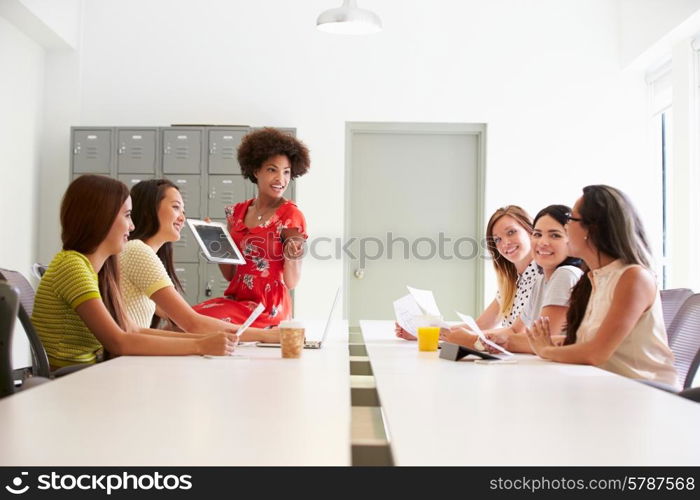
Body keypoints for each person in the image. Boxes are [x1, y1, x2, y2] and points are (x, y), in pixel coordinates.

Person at [31, 175, 236, 369]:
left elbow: (132, 329)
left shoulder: (95, 270)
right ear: (101, 217)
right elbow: (119, 342)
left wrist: (202, 340)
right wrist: (199, 345)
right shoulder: (72, 266)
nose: (132, 226)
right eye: (127, 216)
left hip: (89, 372)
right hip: (72, 380)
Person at [527, 185, 679, 389]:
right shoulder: (596, 278)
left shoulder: (632, 277)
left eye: (571, 220)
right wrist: (546, 343)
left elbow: (595, 353)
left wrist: (546, 350)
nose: (565, 227)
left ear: (593, 228)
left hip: (644, 394)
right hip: (607, 388)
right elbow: (588, 344)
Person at [120, 179, 279, 342]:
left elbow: (176, 318)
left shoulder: (141, 253)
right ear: (149, 209)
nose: (182, 218)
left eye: (183, 211)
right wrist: (264, 335)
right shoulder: (137, 251)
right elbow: (193, 323)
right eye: (175, 207)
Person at [193, 128, 310, 327]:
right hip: (236, 300)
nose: (280, 179)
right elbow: (230, 274)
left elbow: (291, 282)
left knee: (188, 323)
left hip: (266, 308)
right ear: (256, 171)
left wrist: (292, 256)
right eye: (272, 169)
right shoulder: (236, 213)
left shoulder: (291, 216)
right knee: (180, 318)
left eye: (286, 171)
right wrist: (216, 241)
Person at [395, 206, 537, 348]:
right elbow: (481, 324)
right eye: (497, 239)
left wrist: (464, 338)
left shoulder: (541, 278)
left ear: (531, 231)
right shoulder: (512, 283)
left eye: (511, 232)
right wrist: (424, 333)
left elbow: (517, 332)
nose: (505, 242)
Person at [485, 205, 583, 352]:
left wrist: (479, 340)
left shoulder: (565, 274)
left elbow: (542, 341)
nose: (543, 242)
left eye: (555, 235)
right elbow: (515, 330)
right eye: (537, 235)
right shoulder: (541, 281)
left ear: (572, 241)